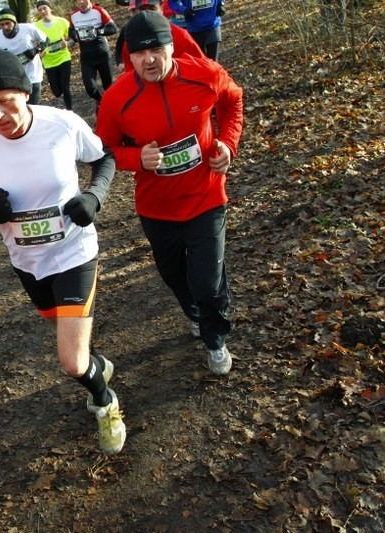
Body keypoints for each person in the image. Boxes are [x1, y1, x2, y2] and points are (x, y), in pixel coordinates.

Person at [0, 49, 125, 454]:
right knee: (75, 346)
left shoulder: (61, 125)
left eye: (5, 102)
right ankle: (95, 365)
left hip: (74, 253)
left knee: (71, 362)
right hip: (27, 263)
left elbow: (104, 159)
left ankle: (104, 401)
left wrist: (94, 197)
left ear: (25, 93)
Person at [95, 11, 243, 375]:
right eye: (140, 53)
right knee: (175, 277)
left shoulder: (204, 75)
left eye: (158, 50)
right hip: (157, 208)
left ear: (171, 48)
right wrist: (137, 158)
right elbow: (104, 149)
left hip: (206, 196)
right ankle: (196, 314)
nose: (149, 60)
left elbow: (233, 102)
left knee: (207, 282)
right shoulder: (117, 99)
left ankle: (215, 338)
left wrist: (227, 143)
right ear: (128, 57)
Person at [114, 0, 204, 75]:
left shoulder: (180, 35)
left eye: (152, 8)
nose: (148, 14)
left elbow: (201, 66)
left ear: (161, 7)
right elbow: (131, 74)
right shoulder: (132, 39)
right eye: (143, 10)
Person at [0, 8, 48, 105]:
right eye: (2, 25)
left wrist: (35, 51)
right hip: (13, 79)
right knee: (20, 108)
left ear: (14, 22)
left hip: (33, 75)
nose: (5, 27)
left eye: (8, 23)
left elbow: (45, 40)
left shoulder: (28, 29)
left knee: (32, 107)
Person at [69, 0, 118, 113]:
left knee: (109, 87)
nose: (81, 2)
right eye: (78, 1)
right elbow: (71, 31)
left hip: (102, 54)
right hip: (87, 58)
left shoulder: (99, 11)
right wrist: (74, 38)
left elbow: (113, 28)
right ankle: (101, 101)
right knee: (90, 89)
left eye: (84, 0)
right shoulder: (73, 15)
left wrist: (98, 32)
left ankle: (112, 108)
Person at [34, 0, 74, 111]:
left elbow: (73, 38)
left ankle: (70, 111)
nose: (42, 11)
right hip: (49, 62)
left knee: (65, 87)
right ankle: (61, 95)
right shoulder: (36, 27)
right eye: (40, 10)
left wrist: (68, 43)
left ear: (50, 9)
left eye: (44, 8)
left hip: (64, 58)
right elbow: (35, 45)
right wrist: (39, 52)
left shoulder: (62, 22)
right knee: (56, 92)